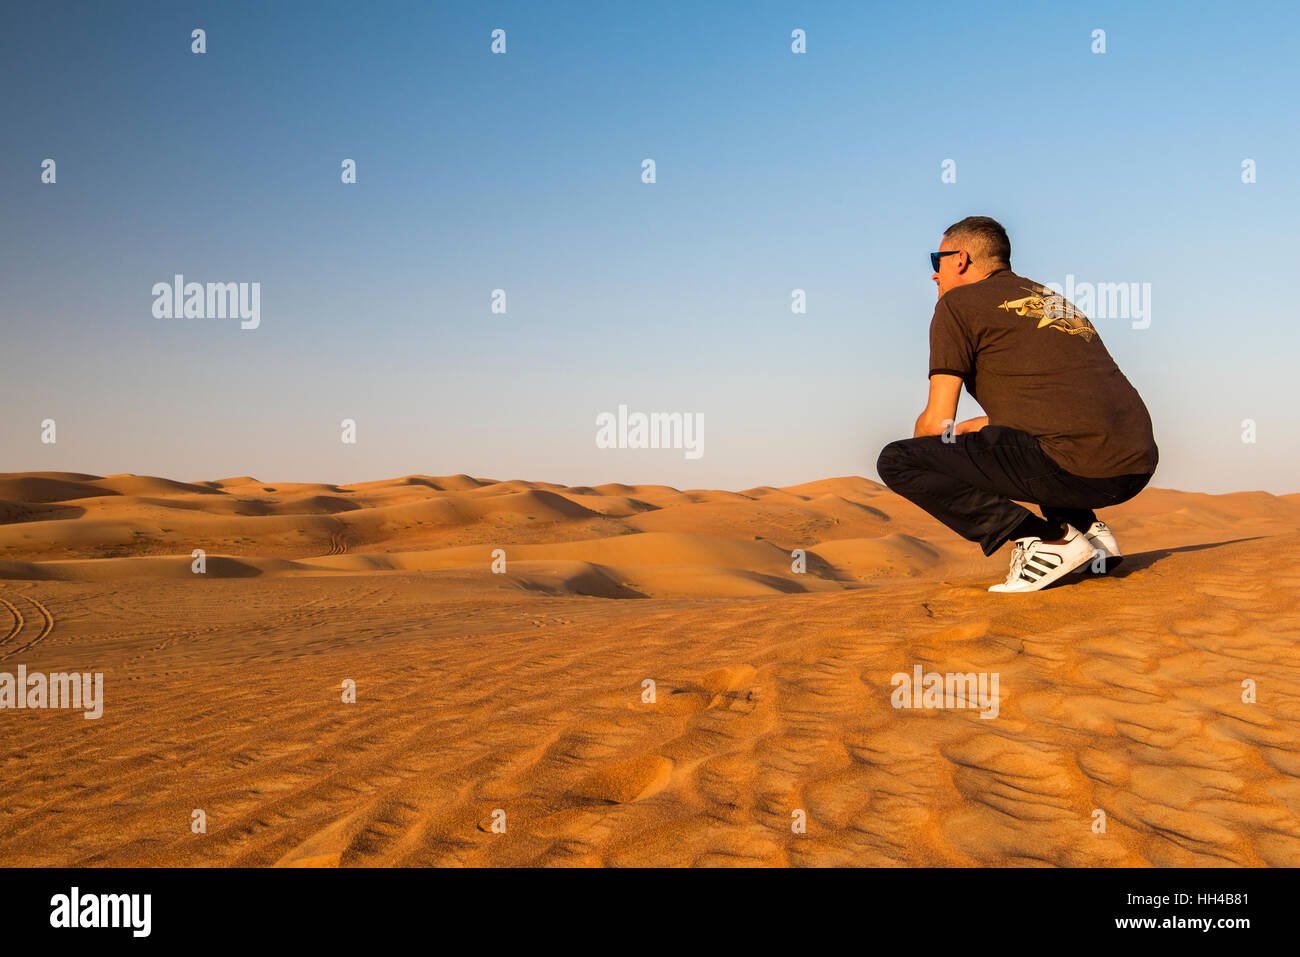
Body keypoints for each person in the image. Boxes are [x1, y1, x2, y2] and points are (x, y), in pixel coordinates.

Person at [875, 216, 1158, 593]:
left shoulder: (957, 304)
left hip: (1077, 468)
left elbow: (937, 420)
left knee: (898, 460)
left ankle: (1050, 539)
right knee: (999, 435)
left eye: (936, 261)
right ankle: (1088, 532)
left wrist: (930, 453)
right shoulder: (1052, 300)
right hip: (1133, 467)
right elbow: (1056, 399)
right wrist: (979, 429)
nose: (934, 275)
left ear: (959, 259)